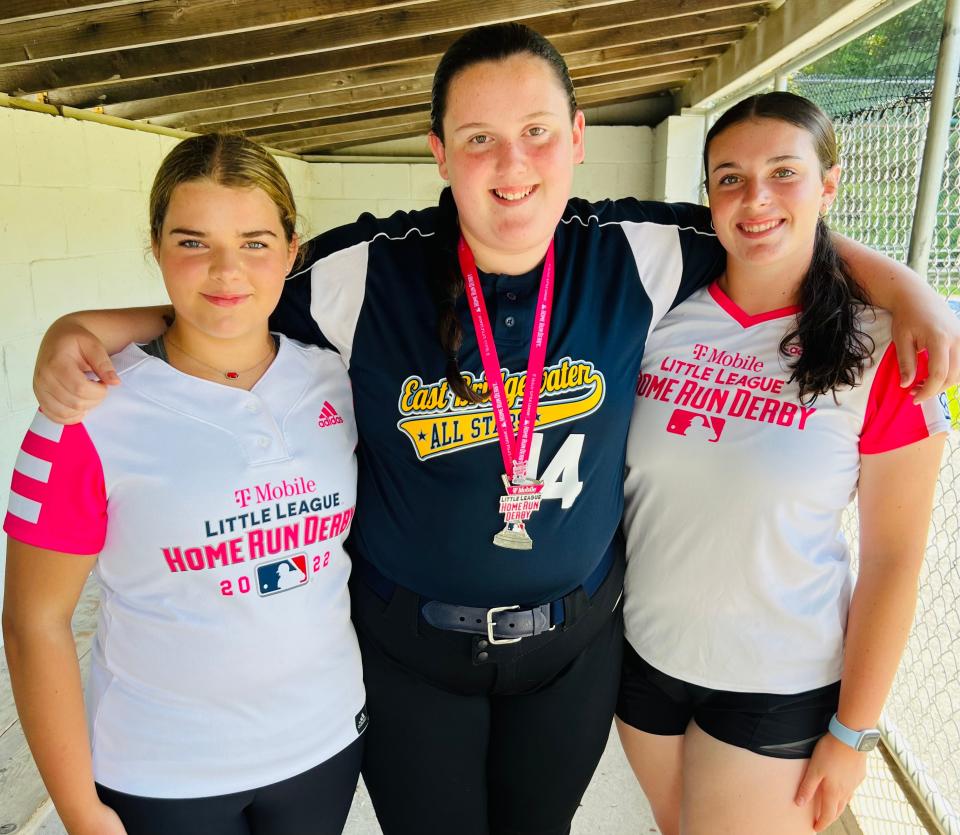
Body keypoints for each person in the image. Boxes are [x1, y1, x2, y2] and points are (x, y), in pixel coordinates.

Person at [27, 25, 960, 835]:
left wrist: (914, 292)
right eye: (479, 139)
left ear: (577, 141)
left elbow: (775, 222)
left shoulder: (637, 249)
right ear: (438, 150)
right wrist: (87, 329)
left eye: (536, 134)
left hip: (572, 653)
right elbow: (227, 292)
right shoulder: (367, 272)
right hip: (408, 655)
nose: (511, 167)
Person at [3, 134, 365, 835]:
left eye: (256, 242)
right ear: (157, 246)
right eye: (193, 242)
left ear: (293, 250)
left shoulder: (338, 378)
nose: (226, 271)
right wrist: (81, 811)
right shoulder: (86, 410)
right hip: (160, 769)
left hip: (323, 740)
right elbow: (33, 623)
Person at [616, 92, 951, 835]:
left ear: (829, 185)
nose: (755, 197)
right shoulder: (658, 315)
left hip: (776, 685)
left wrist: (853, 730)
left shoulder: (883, 351)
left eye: (783, 172)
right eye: (730, 177)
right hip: (643, 666)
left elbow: (895, 559)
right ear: (706, 197)